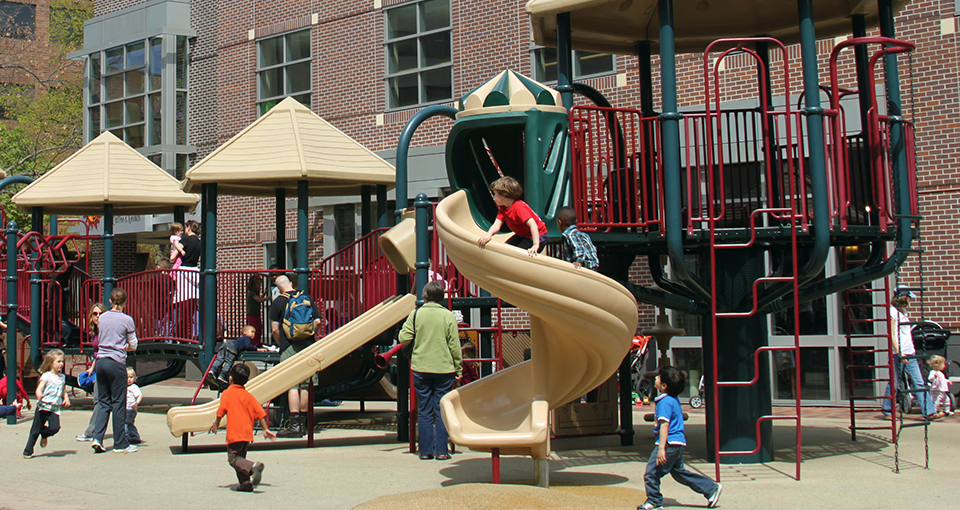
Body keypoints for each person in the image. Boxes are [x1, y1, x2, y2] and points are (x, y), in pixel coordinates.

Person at [639, 366, 722, 510]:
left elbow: (665, 426)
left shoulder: (664, 402)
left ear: (664, 386)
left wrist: (661, 449)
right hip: (678, 443)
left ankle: (654, 500)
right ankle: (710, 488)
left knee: (651, 473)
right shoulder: (673, 399)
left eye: (658, 377)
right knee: (679, 473)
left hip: (669, 443)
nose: (656, 379)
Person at [398, 280, 462, 460]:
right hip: (444, 367)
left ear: (424, 295)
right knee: (441, 409)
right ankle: (442, 450)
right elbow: (454, 345)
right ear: (442, 297)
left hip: (421, 366)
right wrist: (458, 367)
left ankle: (425, 451)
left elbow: (404, 337)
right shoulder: (448, 316)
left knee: (424, 410)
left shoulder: (416, 314)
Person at [269, 276, 322, 438]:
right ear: (291, 284)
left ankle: (294, 424)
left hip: (288, 347)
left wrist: (281, 345)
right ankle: (304, 423)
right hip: (308, 345)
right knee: (305, 385)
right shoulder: (306, 297)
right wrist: (309, 334)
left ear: (278, 289)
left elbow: (275, 330)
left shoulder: (278, 302)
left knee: (292, 385)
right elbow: (318, 321)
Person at [210, 363, 276, 492]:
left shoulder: (227, 393)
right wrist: (265, 429)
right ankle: (245, 483)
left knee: (233, 459)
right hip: (246, 434)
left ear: (230, 379)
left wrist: (216, 423)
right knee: (240, 458)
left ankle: (253, 467)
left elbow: (221, 410)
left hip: (235, 433)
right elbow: (260, 413)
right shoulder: (248, 396)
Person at [91, 288, 139, 454]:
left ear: (110, 301)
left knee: (104, 401)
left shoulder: (102, 318)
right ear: (125, 302)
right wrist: (126, 346)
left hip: (101, 361)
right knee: (118, 402)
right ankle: (120, 443)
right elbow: (134, 344)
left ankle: (97, 437)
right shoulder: (127, 320)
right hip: (116, 361)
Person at [882, 285, 938, 420]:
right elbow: (892, 334)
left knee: (918, 381)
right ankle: (887, 410)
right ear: (903, 297)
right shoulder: (892, 312)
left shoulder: (904, 311)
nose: (910, 300)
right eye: (908, 297)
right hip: (898, 353)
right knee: (894, 381)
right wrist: (900, 353)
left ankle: (929, 412)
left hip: (910, 352)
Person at [477, 176, 548, 256]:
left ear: (504, 195)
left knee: (517, 255)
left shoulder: (519, 207)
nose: (494, 197)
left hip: (538, 235)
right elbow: (496, 225)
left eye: (496, 195)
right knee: (505, 250)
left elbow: (533, 225)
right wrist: (488, 234)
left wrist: (535, 244)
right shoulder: (503, 209)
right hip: (523, 235)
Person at [23, 349, 70, 458]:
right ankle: (28, 450)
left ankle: (44, 433)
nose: (61, 364)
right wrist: (39, 395)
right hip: (43, 407)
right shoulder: (46, 376)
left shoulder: (62, 377)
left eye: (62, 362)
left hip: (54, 408)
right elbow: (39, 389)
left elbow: (63, 390)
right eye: (58, 362)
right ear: (50, 363)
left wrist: (66, 398)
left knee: (55, 428)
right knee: (35, 430)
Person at [77, 303, 108, 441]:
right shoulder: (95, 331)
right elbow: (97, 352)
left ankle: (92, 431)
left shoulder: (106, 330)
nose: (98, 316)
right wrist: (92, 367)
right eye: (95, 314)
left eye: (100, 313)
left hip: (106, 367)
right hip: (98, 366)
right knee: (100, 400)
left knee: (100, 401)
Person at [208, 324, 269, 389]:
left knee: (220, 359)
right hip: (233, 348)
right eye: (252, 332)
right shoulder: (247, 338)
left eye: (254, 332)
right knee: (229, 362)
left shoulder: (241, 339)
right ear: (245, 332)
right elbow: (248, 346)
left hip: (226, 345)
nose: (254, 334)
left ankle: (213, 369)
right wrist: (257, 349)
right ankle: (222, 376)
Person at [174, 220, 202, 339]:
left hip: (184, 272)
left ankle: (182, 335)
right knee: (192, 306)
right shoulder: (199, 243)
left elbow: (173, 256)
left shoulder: (185, 240)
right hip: (195, 271)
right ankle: (193, 334)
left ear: (189, 227)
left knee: (182, 306)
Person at [556, 205, 599, 271]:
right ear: (576, 221)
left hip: (586, 266)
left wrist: (579, 261)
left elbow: (579, 248)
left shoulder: (570, 235)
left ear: (559, 222)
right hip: (592, 265)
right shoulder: (582, 234)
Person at [246, 275, 268, 347]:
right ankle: (253, 343)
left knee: (259, 328)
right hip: (251, 314)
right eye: (258, 284)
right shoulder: (251, 292)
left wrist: (264, 293)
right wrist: (268, 298)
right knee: (255, 329)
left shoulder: (255, 293)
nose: (259, 286)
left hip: (256, 313)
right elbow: (259, 300)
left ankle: (257, 342)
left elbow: (259, 298)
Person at [125, 367, 143, 444]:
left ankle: (126, 437)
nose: (129, 379)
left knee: (124, 423)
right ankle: (134, 436)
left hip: (131, 409)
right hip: (125, 408)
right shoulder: (123, 386)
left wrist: (136, 403)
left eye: (131, 377)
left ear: (135, 378)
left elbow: (139, 395)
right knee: (130, 423)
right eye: (127, 377)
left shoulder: (134, 387)